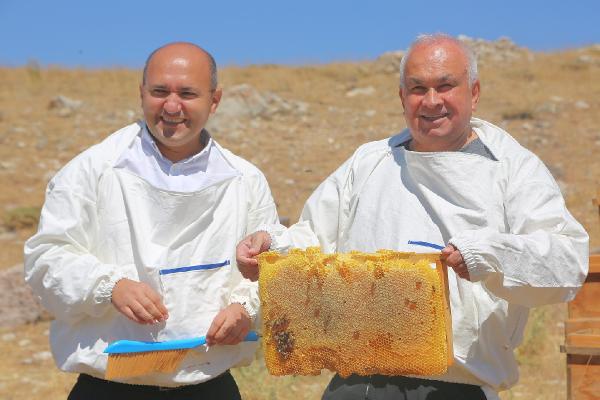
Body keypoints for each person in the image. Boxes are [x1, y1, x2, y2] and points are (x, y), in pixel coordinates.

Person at [236, 33, 589, 400]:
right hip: (359, 383)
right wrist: (272, 247)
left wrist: (488, 254)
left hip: (459, 386)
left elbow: (566, 261)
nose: (432, 101)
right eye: (418, 88)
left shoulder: (514, 169)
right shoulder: (368, 162)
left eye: (446, 86)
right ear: (402, 96)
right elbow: (314, 238)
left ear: (475, 92)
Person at [24, 42, 279, 399]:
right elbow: (46, 259)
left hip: (208, 385)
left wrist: (245, 309)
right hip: (109, 388)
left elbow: (272, 267)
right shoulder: (94, 169)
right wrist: (110, 287)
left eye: (187, 93)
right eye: (160, 92)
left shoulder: (245, 180)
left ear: (215, 100)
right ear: (141, 94)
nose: (172, 106)